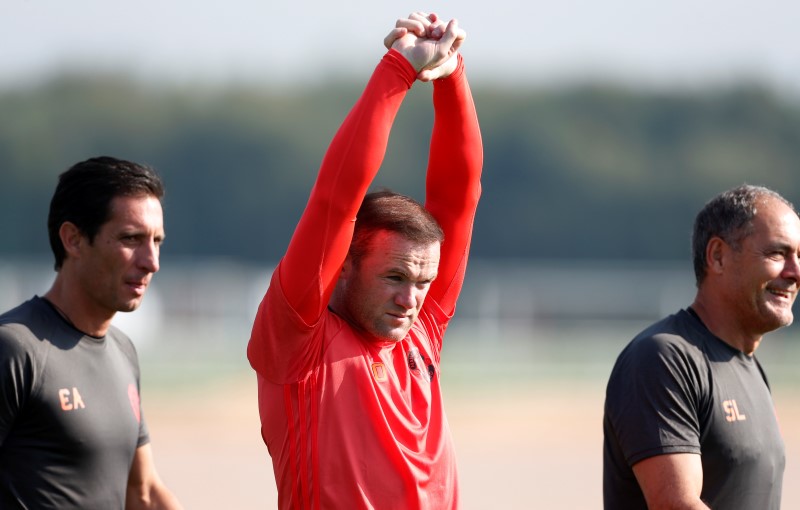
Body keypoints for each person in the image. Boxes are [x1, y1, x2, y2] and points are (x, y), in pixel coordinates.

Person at [247, 11, 482, 510]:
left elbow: (459, 195)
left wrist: (451, 75)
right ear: (345, 265)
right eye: (394, 276)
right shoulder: (296, 339)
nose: (412, 299)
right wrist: (398, 69)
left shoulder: (422, 326)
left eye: (423, 281)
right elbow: (336, 199)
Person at [0, 156, 183, 509]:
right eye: (131, 238)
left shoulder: (123, 351)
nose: (151, 261)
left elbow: (143, 493)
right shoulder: (15, 349)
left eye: (156, 241)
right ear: (73, 239)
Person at [603, 184, 799, 509]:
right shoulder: (664, 358)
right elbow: (676, 505)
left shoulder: (749, 367)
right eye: (777, 253)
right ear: (718, 256)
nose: (795, 272)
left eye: (799, 256)